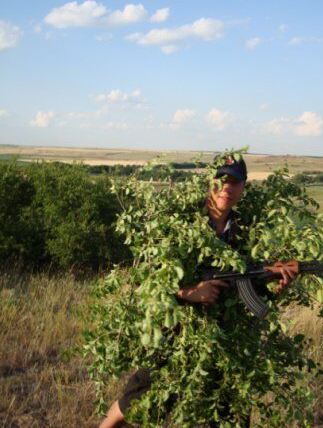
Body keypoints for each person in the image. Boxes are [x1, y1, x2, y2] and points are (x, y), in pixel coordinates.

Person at [100, 156, 299, 428]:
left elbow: (249, 286)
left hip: (223, 337)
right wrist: (187, 292)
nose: (227, 188)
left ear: (243, 188)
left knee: (226, 411)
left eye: (235, 182)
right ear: (210, 182)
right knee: (136, 400)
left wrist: (275, 286)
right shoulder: (182, 221)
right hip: (174, 331)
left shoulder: (246, 231)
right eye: (222, 180)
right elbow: (145, 281)